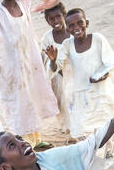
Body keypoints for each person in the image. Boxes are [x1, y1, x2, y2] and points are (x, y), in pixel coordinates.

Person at [0, 0, 59, 150]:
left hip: (29, 63)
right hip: (11, 70)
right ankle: (26, 142)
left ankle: (37, 140)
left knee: (32, 99)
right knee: (20, 104)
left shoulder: (22, 3)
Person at [46, 8, 114, 153]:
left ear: (87, 23)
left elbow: (110, 62)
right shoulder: (67, 45)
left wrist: (101, 75)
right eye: (71, 25)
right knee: (83, 127)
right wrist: (52, 60)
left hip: (102, 91)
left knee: (105, 122)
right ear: (68, 28)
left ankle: (109, 151)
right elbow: (56, 66)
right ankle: (92, 152)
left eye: (80, 23)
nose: (76, 28)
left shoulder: (98, 39)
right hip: (81, 94)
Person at [41, 3, 71, 133]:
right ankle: (70, 129)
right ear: (47, 21)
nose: (55, 21)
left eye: (58, 16)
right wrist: (53, 60)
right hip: (59, 77)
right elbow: (50, 67)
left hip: (78, 74)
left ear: (64, 15)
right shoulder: (47, 38)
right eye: (51, 19)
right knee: (64, 104)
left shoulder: (74, 30)